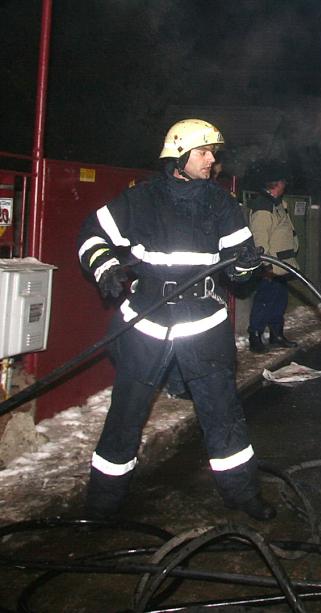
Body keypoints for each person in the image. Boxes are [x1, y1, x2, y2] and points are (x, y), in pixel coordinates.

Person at [76, 119, 274, 521]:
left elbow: (239, 270)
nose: (211, 161)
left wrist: (245, 268)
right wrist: (107, 268)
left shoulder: (221, 204)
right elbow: (91, 234)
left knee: (222, 412)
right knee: (126, 414)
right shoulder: (141, 199)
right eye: (203, 153)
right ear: (179, 156)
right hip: (146, 322)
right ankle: (101, 505)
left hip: (203, 324)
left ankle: (242, 493)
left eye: (213, 154)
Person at [246, 161, 299, 353]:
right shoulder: (263, 207)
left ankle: (277, 334)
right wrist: (266, 266)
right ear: (276, 184)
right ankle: (255, 336)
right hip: (271, 265)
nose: (285, 185)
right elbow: (260, 239)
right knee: (264, 301)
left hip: (283, 264)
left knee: (279, 301)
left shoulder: (277, 204)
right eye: (283, 182)